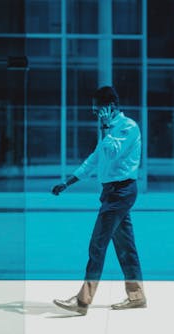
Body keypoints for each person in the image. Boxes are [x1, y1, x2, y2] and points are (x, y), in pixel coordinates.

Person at [51, 86, 146, 316]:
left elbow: (112, 153)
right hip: (112, 193)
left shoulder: (127, 127)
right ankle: (137, 296)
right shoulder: (110, 130)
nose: (95, 114)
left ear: (110, 107)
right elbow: (94, 159)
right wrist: (68, 182)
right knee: (126, 247)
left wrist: (105, 128)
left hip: (121, 193)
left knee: (97, 245)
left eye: (98, 110)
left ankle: (83, 301)